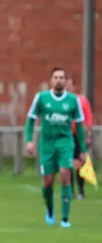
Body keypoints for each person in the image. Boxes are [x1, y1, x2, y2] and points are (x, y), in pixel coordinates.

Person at [25, 67, 87, 228]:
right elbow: (30, 119)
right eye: (55, 77)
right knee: (48, 182)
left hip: (65, 143)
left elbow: (80, 126)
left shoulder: (73, 101)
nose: (59, 80)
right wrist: (29, 140)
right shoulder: (41, 98)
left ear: (66, 81)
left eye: (61, 77)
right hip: (47, 145)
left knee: (66, 175)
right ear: (51, 80)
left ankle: (65, 218)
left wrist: (83, 150)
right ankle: (50, 210)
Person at [65, 76, 94, 199]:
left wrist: (88, 135)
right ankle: (70, 191)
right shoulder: (61, 101)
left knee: (80, 162)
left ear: (74, 86)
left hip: (78, 135)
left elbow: (88, 118)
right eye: (66, 85)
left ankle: (81, 191)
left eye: (69, 85)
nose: (67, 87)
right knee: (67, 163)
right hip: (65, 135)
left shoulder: (81, 100)